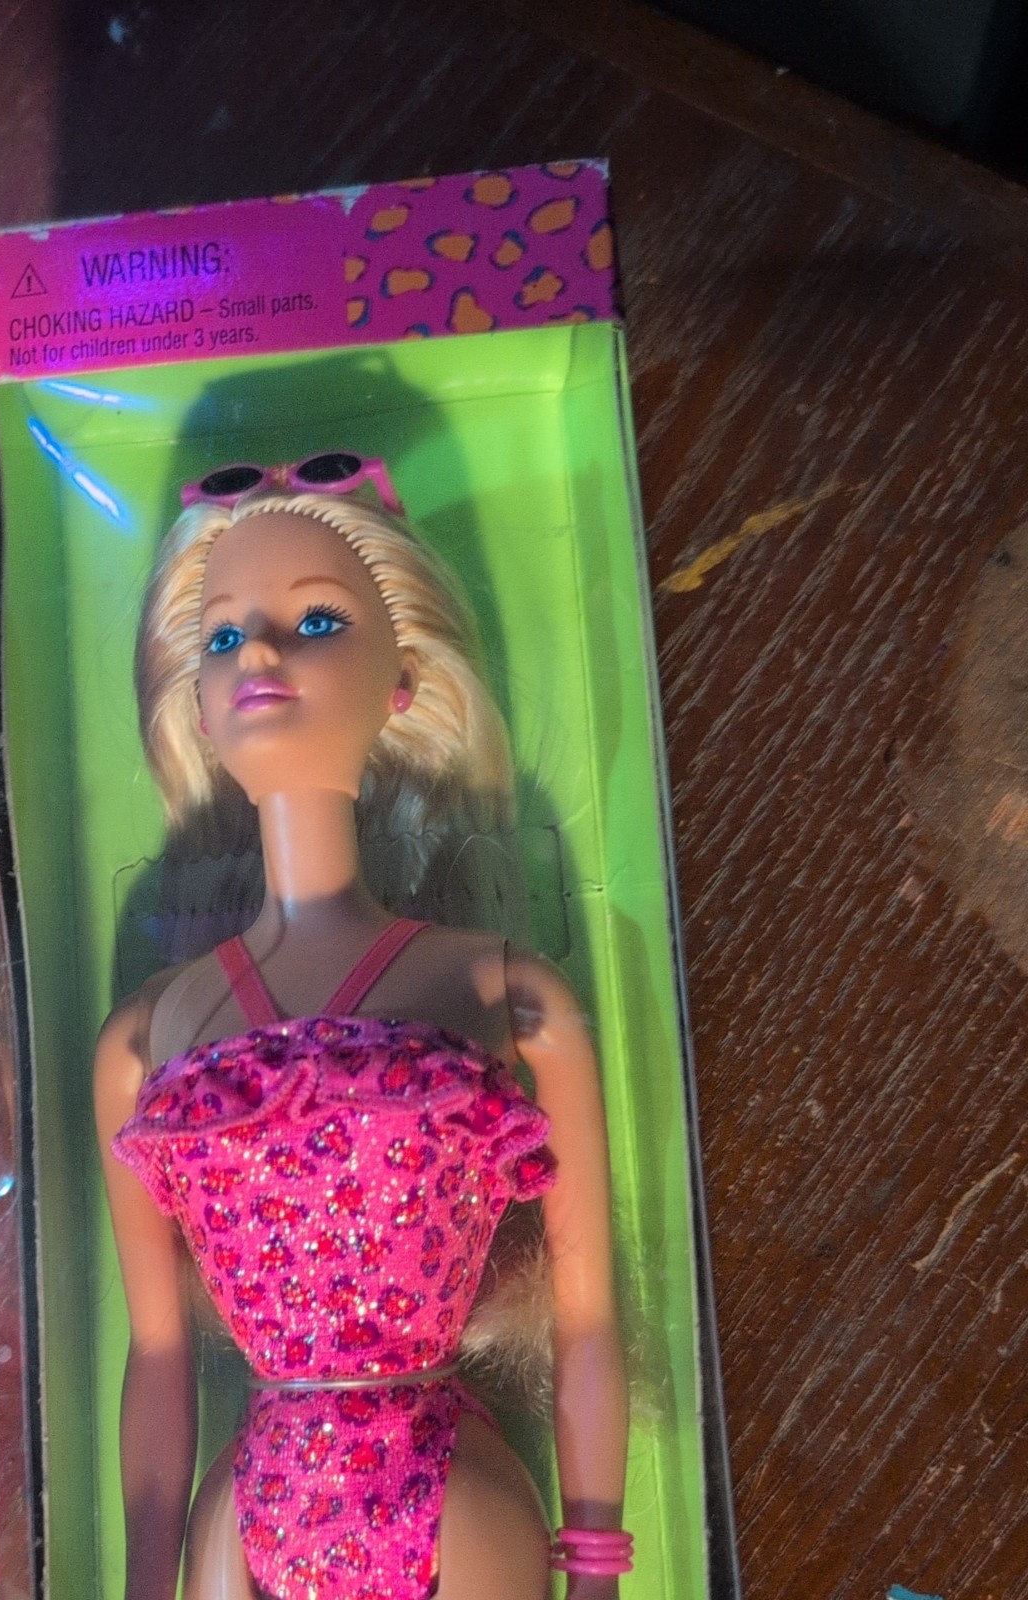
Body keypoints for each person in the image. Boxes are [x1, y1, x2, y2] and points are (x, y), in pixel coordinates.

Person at [93, 457, 629, 1600]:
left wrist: (596, 1566)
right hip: (253, 1499)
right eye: (224, 637)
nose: (261, 657)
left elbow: (587, 1316)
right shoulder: (144, 1038)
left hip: (454, 1491)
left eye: (317, 620)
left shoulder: (504, 989)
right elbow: (158, 1354)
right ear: (197, 704)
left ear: (401, 678)